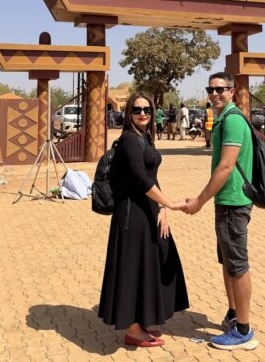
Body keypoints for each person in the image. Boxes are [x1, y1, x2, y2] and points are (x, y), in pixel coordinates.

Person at [98, 93, 189, 347]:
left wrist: (163, 208)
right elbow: (140, 178)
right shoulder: (128, 140)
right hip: (131, 215)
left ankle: (146, 317)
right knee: (133, 268)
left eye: (147, 110)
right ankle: (133, 329)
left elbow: (152, 175)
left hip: (149, 210)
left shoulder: (144, 138)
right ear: (129, 113)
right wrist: (171, 202)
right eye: (137, 110)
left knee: (152, 264)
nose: (143, 114)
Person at [183, 72, 257, 351]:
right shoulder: (224, 118)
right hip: (226, 202)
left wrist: (200, 200)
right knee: (227, 260)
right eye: (211, 89)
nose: (215, 94)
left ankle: (243, 331)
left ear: (232, 90)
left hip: (234, 202)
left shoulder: (234, 120)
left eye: (221, 89)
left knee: (237, 264)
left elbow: (226, 167)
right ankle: (234, 313)